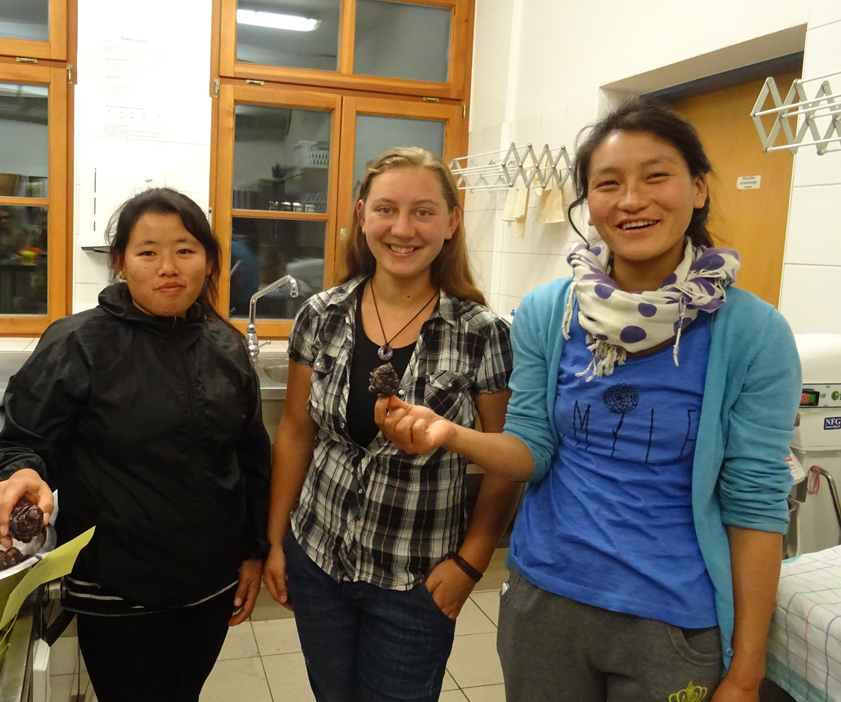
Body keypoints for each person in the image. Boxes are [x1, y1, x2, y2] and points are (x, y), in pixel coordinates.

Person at [377, 99, 801, 702]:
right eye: (608, 183)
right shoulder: (550, 312)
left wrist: (747, 671)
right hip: (546, 602)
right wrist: (451, 435)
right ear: (589, 202)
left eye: (656, 176)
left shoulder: (753, 334)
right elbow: (533, 450)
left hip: (674, 619)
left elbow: (755, 504)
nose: (631, 200)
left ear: (698, 188)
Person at [0, 187, 271, 702]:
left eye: (184, 250)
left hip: (211, 585)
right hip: (117, 589)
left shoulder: (225, 345)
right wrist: (22, 474)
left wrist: (254, 550)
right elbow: (23, 443)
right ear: (120, 262)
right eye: (147, 252)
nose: (168, 267)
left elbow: (250, 457)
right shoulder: (79, 343)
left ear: (208, 261)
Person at [263, 147, 520, 702]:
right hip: (319, 556)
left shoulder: (481, 333)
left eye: (423, 211)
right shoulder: (322, 315)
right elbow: (296, 432)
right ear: (362, 216)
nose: (402, 229)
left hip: (417, 576)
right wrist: (277, 542)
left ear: (451, 222)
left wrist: (471, 563)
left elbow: (505, 458)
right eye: (386, 209)